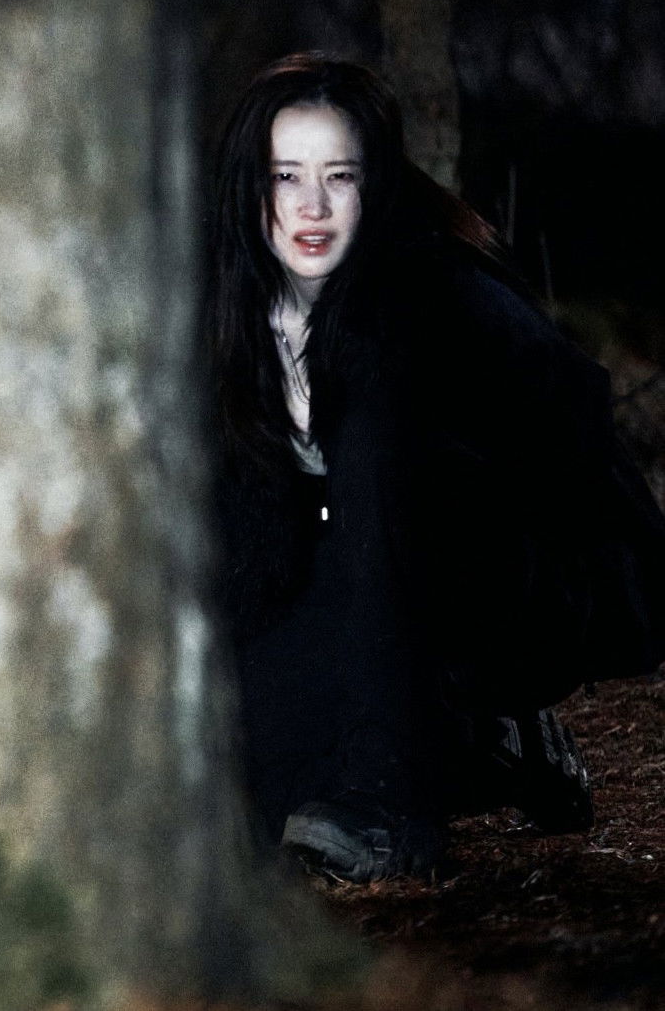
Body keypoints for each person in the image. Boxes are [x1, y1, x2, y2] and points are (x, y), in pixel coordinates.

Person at [204, 54, 665, 881]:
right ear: (249, 187)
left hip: (503, 583)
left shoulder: (430, 285)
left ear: (376, 184)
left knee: (373, 436)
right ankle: (491, 742)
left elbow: (576, 428)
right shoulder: (232, 309)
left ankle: (400, 794)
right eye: (286, 177)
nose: (312, 207)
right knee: (261, 790)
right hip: (351, 583)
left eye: (340, 176)